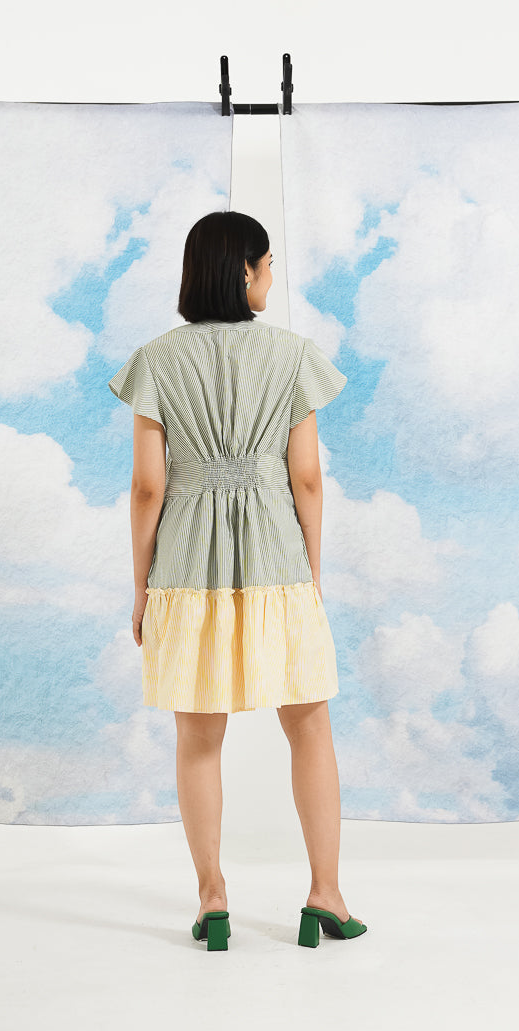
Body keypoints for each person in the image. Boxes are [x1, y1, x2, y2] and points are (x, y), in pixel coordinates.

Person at [108, 211, 367, 950]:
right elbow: (306, 477)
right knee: (309, 726)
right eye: (268, 264)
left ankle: (212, 899)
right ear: (243, 270)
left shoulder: (156, 360)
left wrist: (141, 587)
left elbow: (148, 488)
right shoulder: (292, 356)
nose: (272, 277)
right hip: (279, 562)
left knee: (197, 736)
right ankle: (325, 895)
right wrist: (312, 572)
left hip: (185, 569)